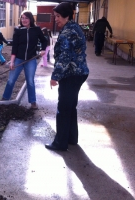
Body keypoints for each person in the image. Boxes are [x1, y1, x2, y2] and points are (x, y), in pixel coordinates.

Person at [45, 2, 89, 151]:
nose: (55, 19)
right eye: (54, 16)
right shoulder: (74, 27)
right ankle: (71, 137)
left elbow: (65, 57)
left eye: (58, 16)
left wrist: (55, 76)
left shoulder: (67, 32)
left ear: (67, 15)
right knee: (70, 107)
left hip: (71, 74)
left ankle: (60, 143)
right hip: (79, 72)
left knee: (63, 108)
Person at [2, 10, 47, 109]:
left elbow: (44, 40)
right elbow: (15, 47)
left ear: (30, 19)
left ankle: (33, 102)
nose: (24, 20)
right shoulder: (18, 30)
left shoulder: (36, 29)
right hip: (18, 59)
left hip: (31, 60)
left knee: (30, 81)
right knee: (11, 80)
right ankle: (5, 99)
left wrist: (43, 50)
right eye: (22, 18)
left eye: (26, 18)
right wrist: (12, 61)